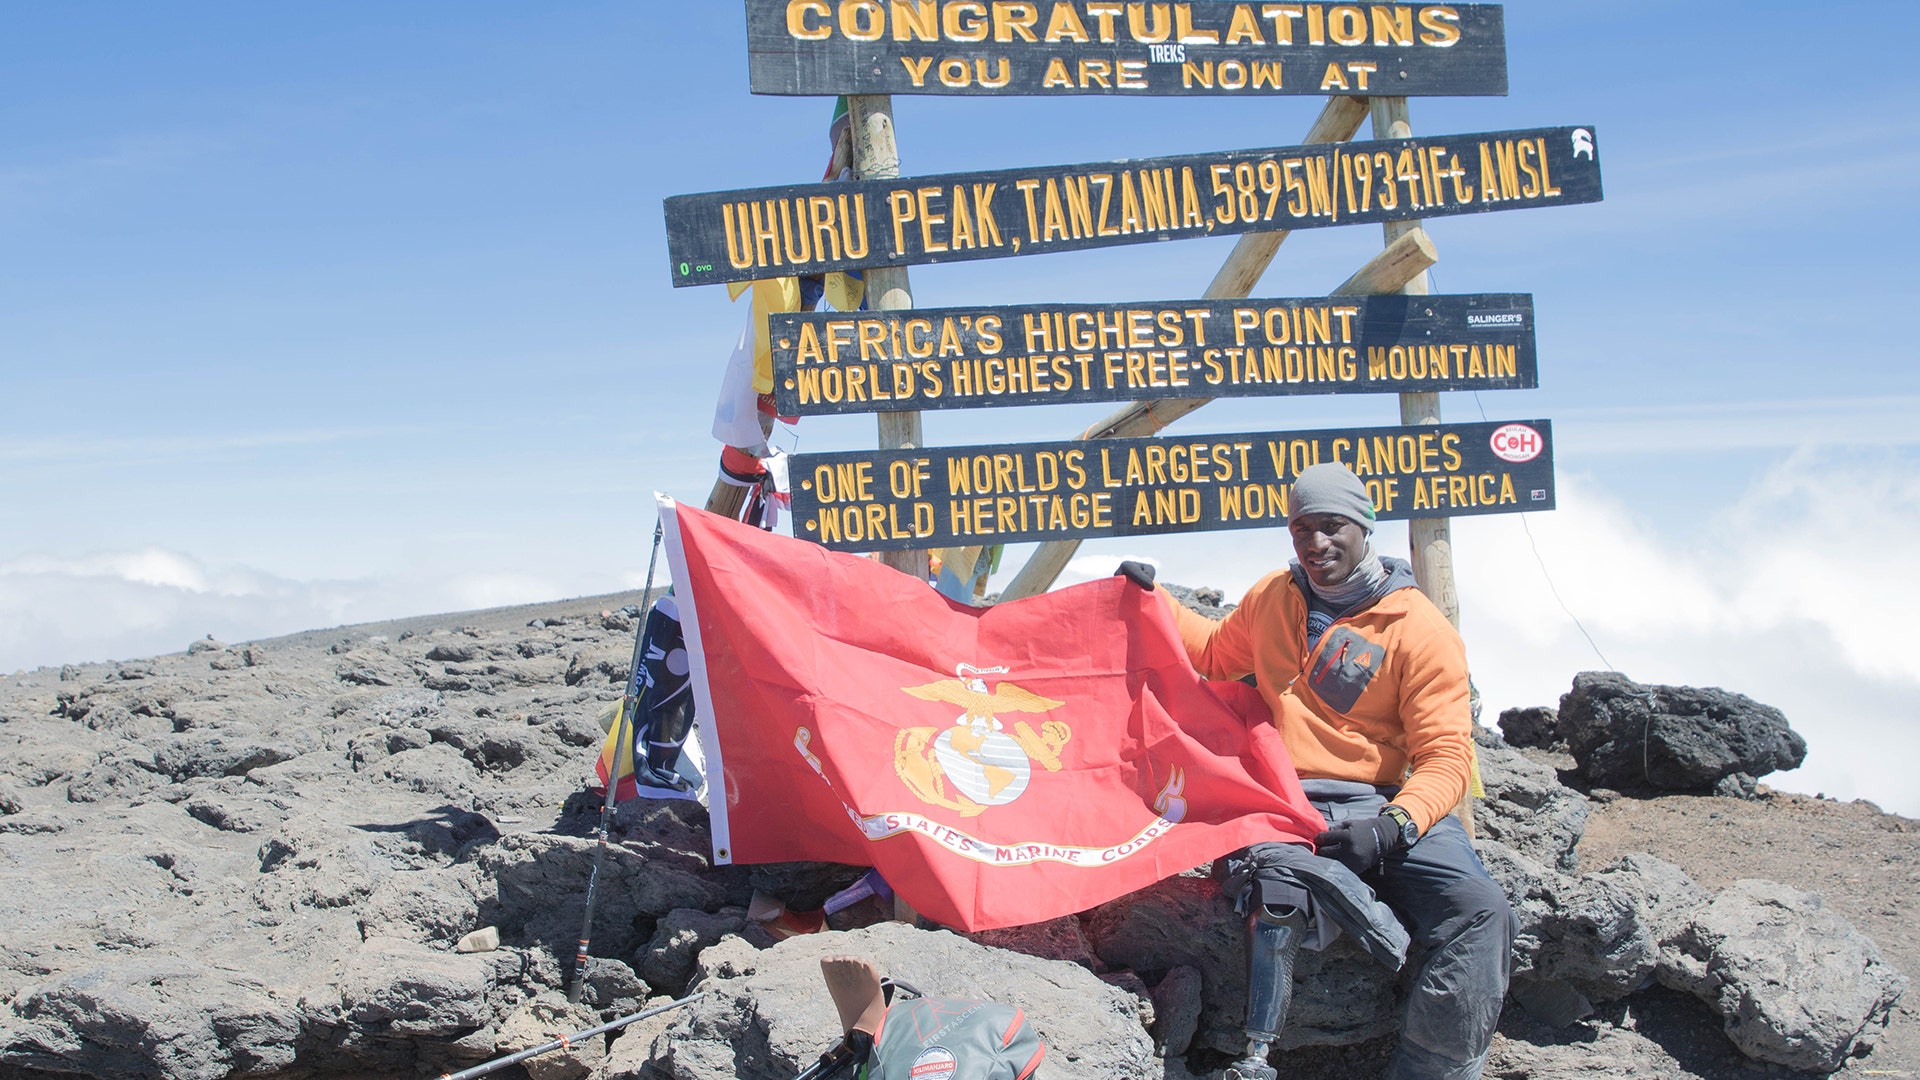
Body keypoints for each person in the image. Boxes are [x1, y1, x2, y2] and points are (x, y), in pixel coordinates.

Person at [1117, 461, 1515, 1080]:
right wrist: (1151, 599)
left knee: (1481, 907)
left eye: (1332, 527)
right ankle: (1266, 1030)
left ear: (1364, 528)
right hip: (1287, 798)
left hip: (1382, 803)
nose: (1315, 543)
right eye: (1302, 528)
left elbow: (1445, 756)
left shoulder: (1419, 629)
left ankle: (1431, 1067)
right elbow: (1217, 654)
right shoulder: (1275, 596)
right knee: (1273, 891)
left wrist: (1394, 825)